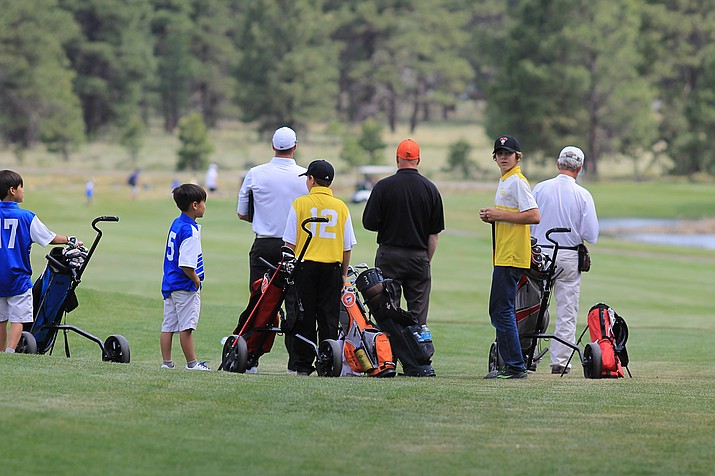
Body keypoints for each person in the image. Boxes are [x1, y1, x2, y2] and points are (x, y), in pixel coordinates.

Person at [236, 126, 307, 373]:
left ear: (273, 146)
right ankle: (296, 364)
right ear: (295, 147)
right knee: (295, 305)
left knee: (260, 300)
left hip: (265, 244)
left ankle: (249, 359)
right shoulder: (305, 177)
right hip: (297, 247)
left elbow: (243, 213)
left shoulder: (256, 173)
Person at [362, 139, 445, 340]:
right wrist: (426, 260)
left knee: (388, 308)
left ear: (397, 159)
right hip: (418, 255)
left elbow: (369, 223)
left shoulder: (383, 187)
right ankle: (418, 358)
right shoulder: (430, 189)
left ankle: (389, 357)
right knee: (418, 313)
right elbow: (433, 234)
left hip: (389, 254)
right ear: (418, 159)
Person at [283, 160, 357, 376]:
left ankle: (303, 365)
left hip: (305, 267)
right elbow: (346, 246)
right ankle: (328, 363)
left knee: (304, 316)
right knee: (329, 318)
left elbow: (289, 242)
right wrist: (344, 273)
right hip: (332, 269)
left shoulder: (300, 204)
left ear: (312, 180)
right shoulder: (341, 207)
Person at [531, 146, 599, 374]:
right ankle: (560, 362)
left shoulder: (540, 188)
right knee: (567, 310)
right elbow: (591, 235)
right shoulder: (583, 194)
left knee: (532, 306)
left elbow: (530, 224)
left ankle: (526, 354)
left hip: (541, 253)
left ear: (558, 164)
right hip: (569, 255)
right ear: (579, 168)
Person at [0, 170, 82, 353]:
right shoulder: (27, 217)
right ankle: (10, 352)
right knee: (18, 318)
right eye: (22, 187)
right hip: (17, 277)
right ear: (12, 190)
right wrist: (69, 239)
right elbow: (49, 237)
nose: (23, 191)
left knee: (1, 318)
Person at [479, 135, 540, 380]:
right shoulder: (506, 180)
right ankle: (511, 364)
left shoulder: (517, 181)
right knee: (499, 309)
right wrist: (494, 217)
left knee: (501, 310)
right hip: (505, 253)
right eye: (500, 153)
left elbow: (534, 216)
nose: (504, 157)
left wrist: (499, 214)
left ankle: (515, 365)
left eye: (508, 153)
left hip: (512, 255)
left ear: (518, 156)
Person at [160, 183, 210, 371]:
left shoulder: (177, 223)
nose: (205, 206)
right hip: (184, 285)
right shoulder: (190, 231)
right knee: (186, 326)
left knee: (168, 325)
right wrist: (196, 280)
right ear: (195, 205)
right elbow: (187, 264)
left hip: (170, 283)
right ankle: (192, 364)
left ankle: (167, 363)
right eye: (204, 202)